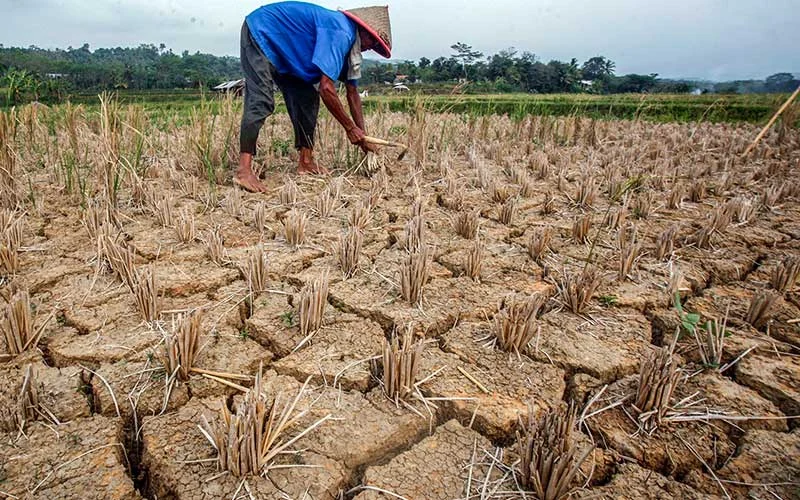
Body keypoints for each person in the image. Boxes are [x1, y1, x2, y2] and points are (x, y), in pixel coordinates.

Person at [235, 2, 393, 192]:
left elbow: (352, 93)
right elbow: (326, 88)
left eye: (376, 46)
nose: (370, 48)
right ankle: (244, 170)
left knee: (308, 99)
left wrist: (363, 136)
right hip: (262, 32)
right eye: (373, 41)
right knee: (261, 101)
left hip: (291, 55)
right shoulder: (341, 32)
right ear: (363, 30)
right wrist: (350, 128)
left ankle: (306, 162)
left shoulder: (351, 47)